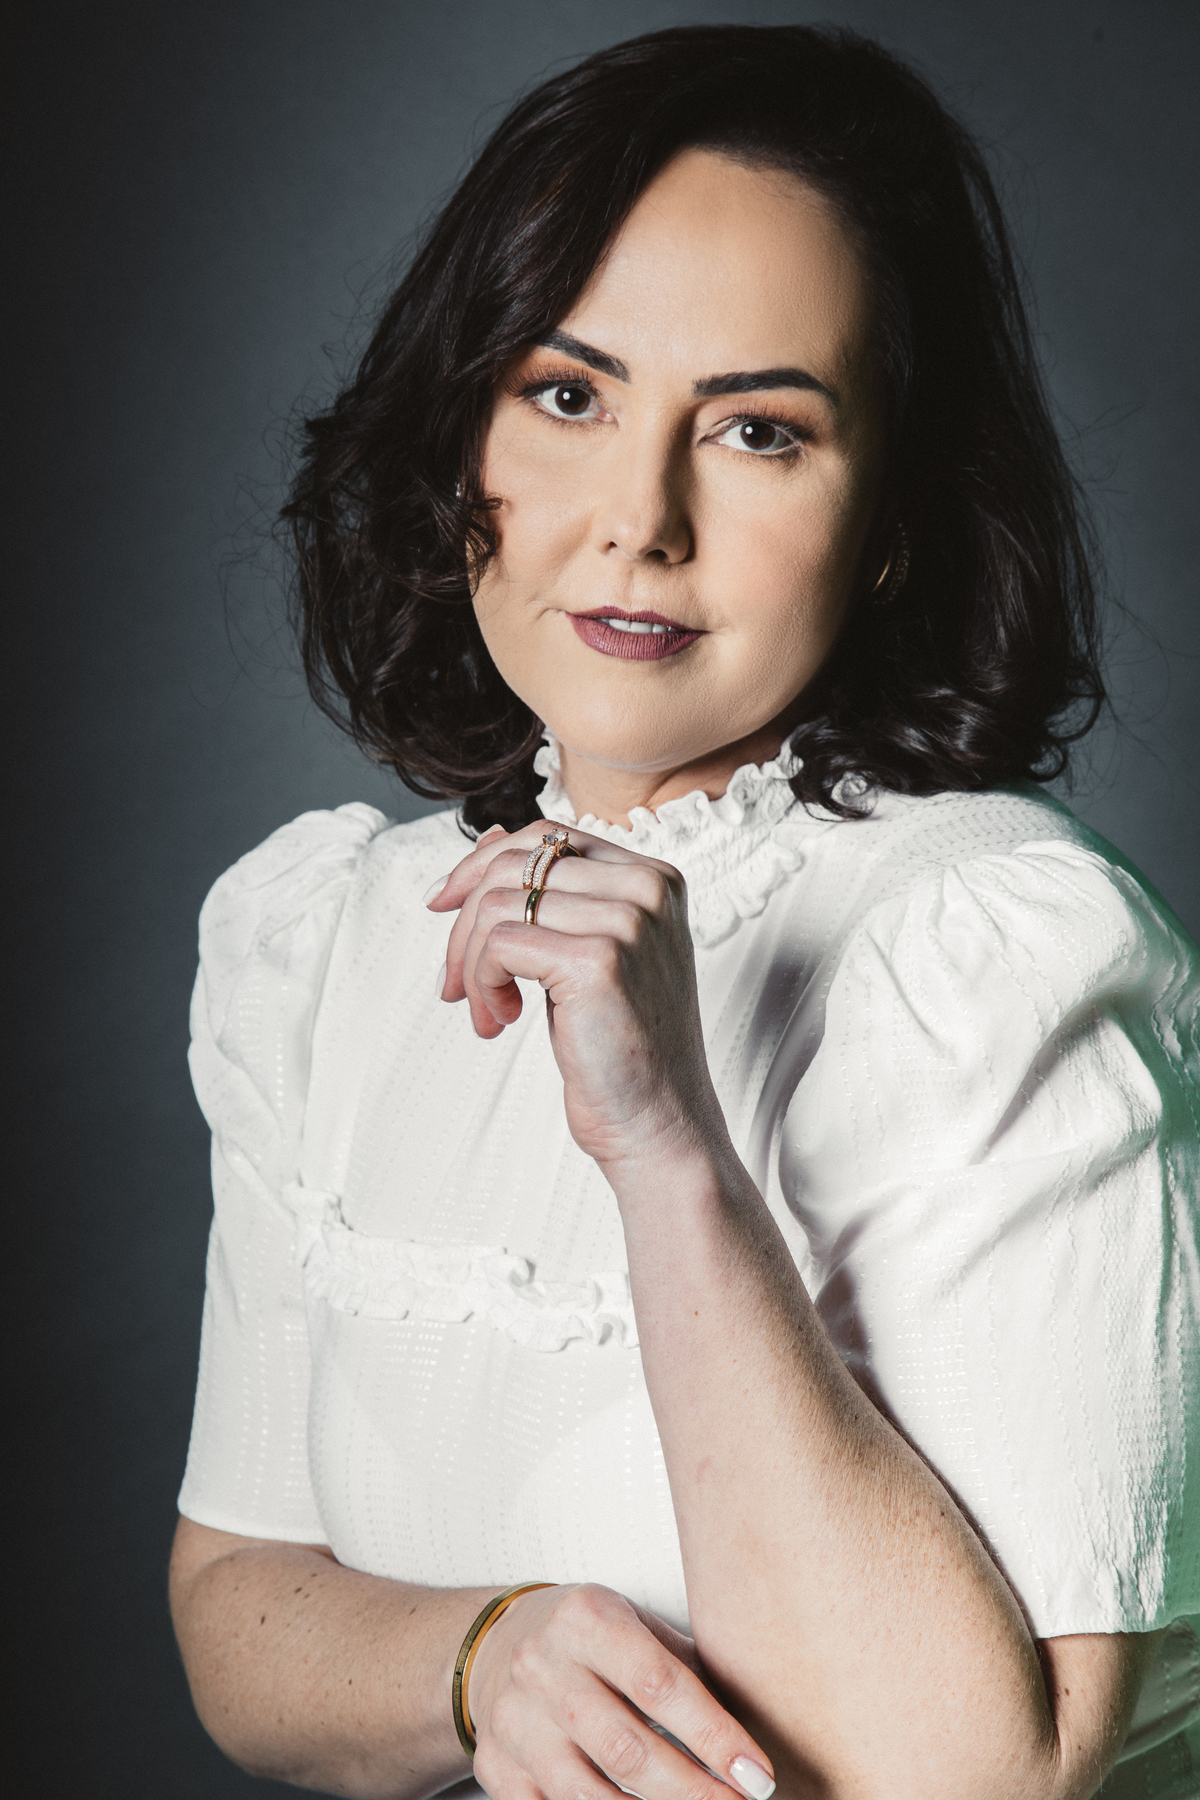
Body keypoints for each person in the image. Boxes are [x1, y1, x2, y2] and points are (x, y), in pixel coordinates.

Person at [167, 23, 1200, 1800]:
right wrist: (489, 1657)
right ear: (461, 435)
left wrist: (669, 1154)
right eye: (568, 397)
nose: (640, 520)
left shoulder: (1001, 955)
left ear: (890, 519)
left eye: (758, 432)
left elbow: (980, 1773)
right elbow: (234, 1602)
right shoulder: (325, 942)